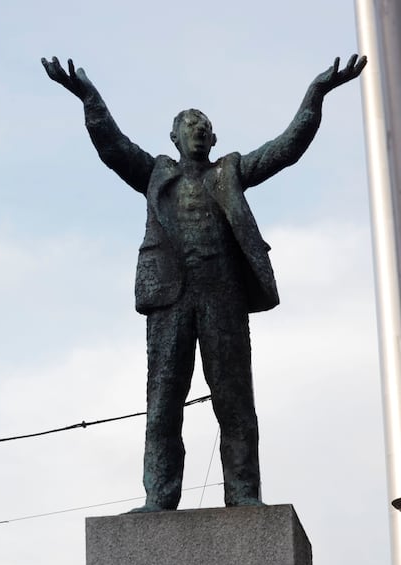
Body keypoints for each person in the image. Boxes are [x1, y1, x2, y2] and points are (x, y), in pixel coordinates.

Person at [41, 54, 366, 511]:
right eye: (190, 125)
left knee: (234, 400)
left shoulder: (229, 171)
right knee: (163, 402)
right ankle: (159, 496)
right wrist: (88, 97)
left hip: (222, 296)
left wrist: (316, 94)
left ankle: (244, 492)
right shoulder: (155, 172)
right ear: (174, 137)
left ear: (214, 139)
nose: (198, 129)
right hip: (169, 298)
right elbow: (112, 146)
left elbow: (286, 148)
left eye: (205, 126)